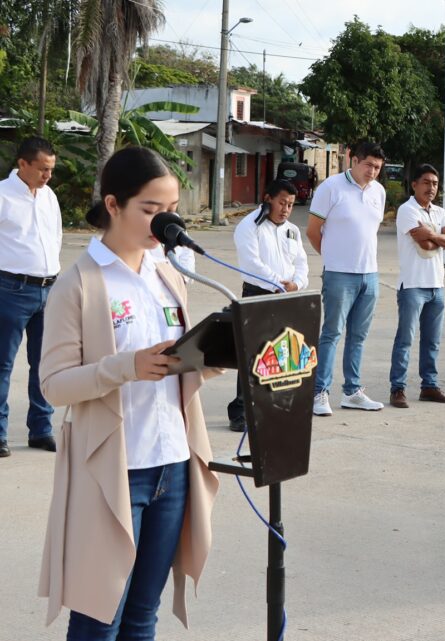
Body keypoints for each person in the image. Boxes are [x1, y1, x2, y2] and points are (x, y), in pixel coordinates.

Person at [38, 146, 220, 638]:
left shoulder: (167, 275)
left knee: (143, 615)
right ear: (113, 205)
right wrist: (127, 367)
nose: (164, 224)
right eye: (151, 210)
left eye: (171, 210)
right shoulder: (78, 284)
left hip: (173, 465)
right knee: (100, 614)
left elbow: (173, 369)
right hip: (114, 469)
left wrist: (208, 359)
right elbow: (54, 385)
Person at [306, 141, 388, 416]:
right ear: (354, 159)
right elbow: (313, 232)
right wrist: (332, 257)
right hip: (339, 274)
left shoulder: (378, 191)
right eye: (368, 165)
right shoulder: (330, 188)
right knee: (331, 333)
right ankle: (320, 392)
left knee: (359, 336)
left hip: (370, 274)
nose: (373, 172)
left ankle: (352, 391)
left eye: (377, 167)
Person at [227, 179, 309, 432]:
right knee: (251, 353)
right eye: (282, 202)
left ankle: (271, 405)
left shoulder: (292, 230)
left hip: (286, 296)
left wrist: (296, 283)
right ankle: (240, 410)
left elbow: (302, 263)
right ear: (267, 198)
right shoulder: (249, 226)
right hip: (258, 294)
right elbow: (251, 264)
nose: (286, 209)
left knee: (281, 353)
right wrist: (278, 283)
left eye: (291, 205)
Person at [0, 136, 61, 458]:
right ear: (22, 164)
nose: (48, 175)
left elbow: (56, 237)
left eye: (51, 169)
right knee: (2, 365)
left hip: (48, 289)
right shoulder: (2, 195)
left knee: (45, 364)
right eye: (42, 169)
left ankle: (41, 429)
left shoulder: (49, 196)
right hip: (10, 290)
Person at [389, 164, 445, 409]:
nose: (431, 188)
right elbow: (425, 244)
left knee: (432, 340)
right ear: (414, 184)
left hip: (437, 285)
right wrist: (440, 239)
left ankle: (429, 385)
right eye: (426, 182)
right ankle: (397, 388)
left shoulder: (440, 212)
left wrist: (434, 235)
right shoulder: (407, 210)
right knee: (405, 339)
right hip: (413, 285)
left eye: (435, 184)